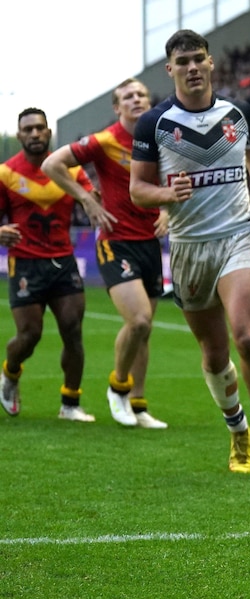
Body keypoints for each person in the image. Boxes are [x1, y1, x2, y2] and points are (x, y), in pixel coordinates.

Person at [128, 29, 250, 479]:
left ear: (211, 62)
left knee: (248, 338)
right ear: (170, 70)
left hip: (239, 233)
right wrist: (165, 192)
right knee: (215, 353)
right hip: (188, 246)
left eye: (199, 59)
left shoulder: (238, 113)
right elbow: (137, 190)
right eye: (183, 62)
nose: (193, 67)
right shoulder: (155, 125)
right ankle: (236, 428)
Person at [42, 78, 169, 429]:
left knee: (145, 330)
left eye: (142, 93)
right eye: (128, 96)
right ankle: (118, 387)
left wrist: (167, 211)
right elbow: (52, 164)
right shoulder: (106, 140)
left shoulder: (161, 138)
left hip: (150, 243)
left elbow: (173, 179)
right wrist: (84, 197)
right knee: (139, 319)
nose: (136, 99)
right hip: (116, 241)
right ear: (117, 107)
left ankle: (139, 406)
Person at [0, 108, 97, 422]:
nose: (35, 134)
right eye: (28, 129)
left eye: (40, 128)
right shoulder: (6, 174)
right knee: (29, 336)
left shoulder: (67, 169)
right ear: (19, 135)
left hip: (63, 262)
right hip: (25, 264)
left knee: (73, 330)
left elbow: (93, 197)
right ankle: (10, 374)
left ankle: (70, 403)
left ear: (48, 132)